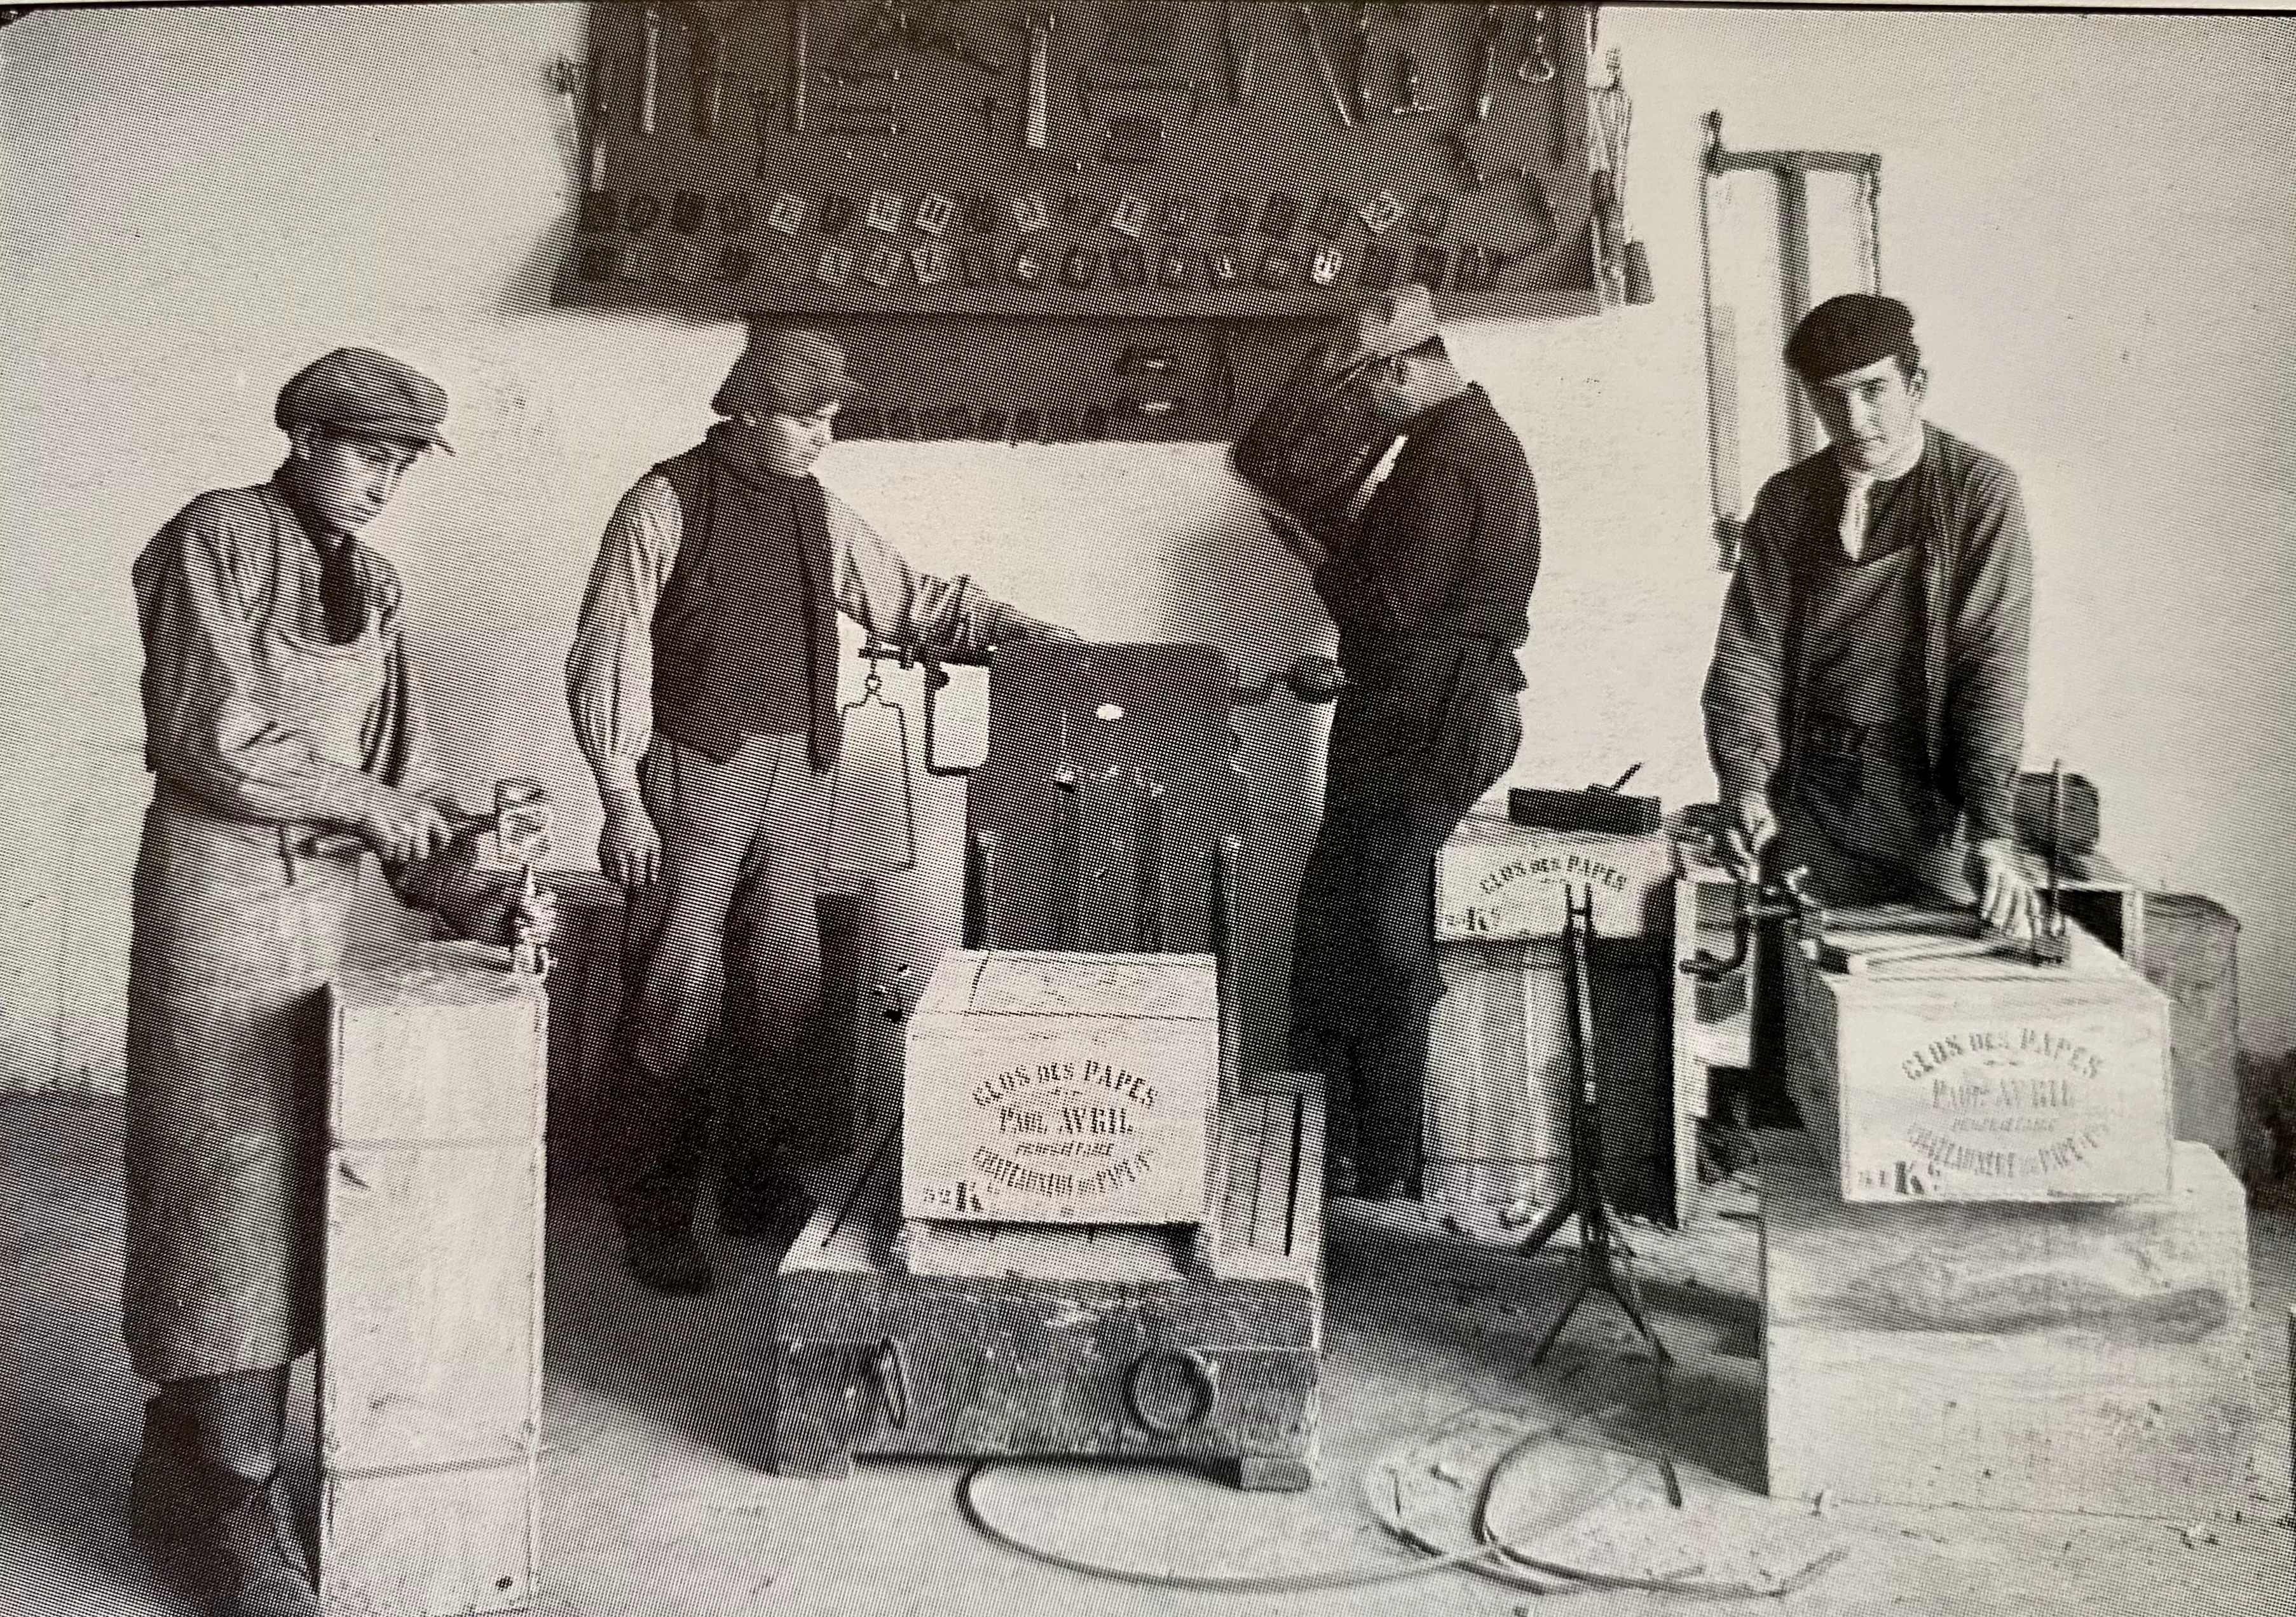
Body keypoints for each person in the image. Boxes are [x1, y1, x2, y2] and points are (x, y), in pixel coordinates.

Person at [124, 348, 554, 1617]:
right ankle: (233, 1496)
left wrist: (478, 889)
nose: (386, 484)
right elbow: (205, 733)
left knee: (323, 1193)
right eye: (372, 454)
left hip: (319, 932)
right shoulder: (217, 538)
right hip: (215, 914)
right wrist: (366, 806)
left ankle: (181, 1457)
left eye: (407, 463)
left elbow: (409, 784)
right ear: (306, 436)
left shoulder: (376, 583)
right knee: (223, 1192)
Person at [567, 327, 1076, 1296]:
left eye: (833, 418)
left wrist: (1028, 637)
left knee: (785, 985)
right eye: (808, 418)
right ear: (748, 410)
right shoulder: (662, 502)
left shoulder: (817, 512)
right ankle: (654, 1210)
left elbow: (911, 601)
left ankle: (754, 1184)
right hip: (695, 774)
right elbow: (609, 651)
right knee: (677, 990)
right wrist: (619, 797)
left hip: (797, 777)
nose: (824, 436)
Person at [1271, 284, 1541, 1201]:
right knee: (1352, 912)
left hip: (1429, 710)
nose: (1359, 413)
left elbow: (1382, 608)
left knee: (1372, 921)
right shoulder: (1467, 443)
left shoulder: (1445, 457)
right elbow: (1414, 596)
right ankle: (1356, 1151)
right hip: (1431, 704)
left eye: (1363, 392)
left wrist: (1314, 554)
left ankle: (1383, 1166)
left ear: (1397, 370)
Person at [1702, 294, 2038, 938]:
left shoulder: (1979, 492)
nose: (1853, 420)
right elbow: (1750, 655)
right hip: (1808, 794)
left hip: (1926, 799)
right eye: (1829, 398)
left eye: (1872, 391)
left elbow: (1990, 664)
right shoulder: (1789, 499)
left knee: (1923, 997)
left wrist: (1993, 829)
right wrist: (1744, 783)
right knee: (1800, 989)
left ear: (1917, 385)